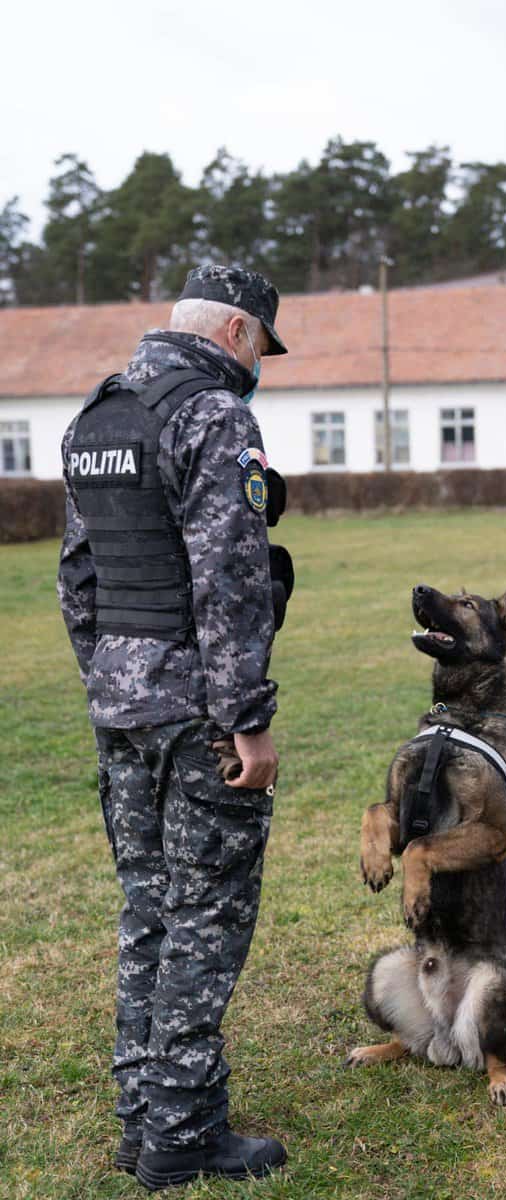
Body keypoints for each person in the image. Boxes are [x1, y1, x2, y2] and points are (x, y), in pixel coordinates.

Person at [57, 265, 291, 1191]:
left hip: (119, 706)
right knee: (206, 917)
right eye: (262, 348)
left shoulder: (99, 416)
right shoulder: (213, 417)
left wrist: (110, 683)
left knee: (147, 908)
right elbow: (232, 586)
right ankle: (183, 1134)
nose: (259, 367)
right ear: (236, 331)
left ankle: (136, 1117)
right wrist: (246, 722)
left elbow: (78, 582)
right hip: (197, 715)